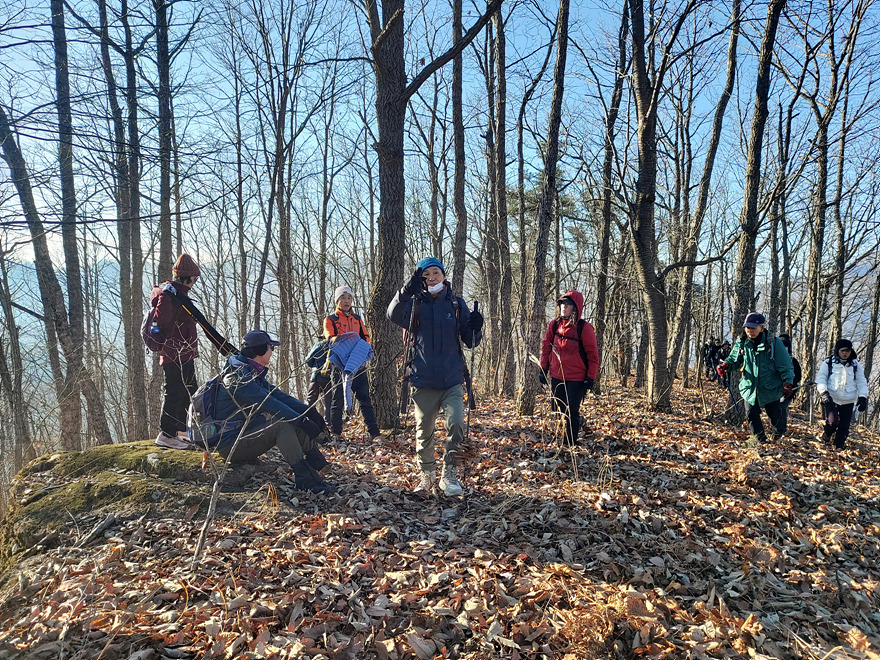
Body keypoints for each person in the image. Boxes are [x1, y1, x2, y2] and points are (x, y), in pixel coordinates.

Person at [387, 257, 482, 496]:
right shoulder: (414, 304)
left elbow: (470, 341)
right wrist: (406, 291)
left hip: (452, 379)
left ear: (443, 275)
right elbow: (392, 314)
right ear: (420, 279)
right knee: (424, 432)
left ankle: (449, 474)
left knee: (456, 424)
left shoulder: (456, 304)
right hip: (423, 379)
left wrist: (476, 327)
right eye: (426, 275)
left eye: (435, 273)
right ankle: (427, 475)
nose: (431, 278)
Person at [213, 330, 336, 494]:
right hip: (230, 445)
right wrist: (302, 421)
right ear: (260, 350)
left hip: (243, 435)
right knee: (283, 425)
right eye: (271, 347)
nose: (272, 352)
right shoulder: (238, 378)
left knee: (293, 417)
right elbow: (270, 403)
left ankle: (318, 465)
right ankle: (306, 479)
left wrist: (308, 411)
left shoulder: (249, 371)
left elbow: (277, 395)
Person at [717, 313, 794, 442]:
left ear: (761, 328)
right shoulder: (742, 342)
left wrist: (788, 383)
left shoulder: (774, 343)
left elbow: (786, 365)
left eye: (753, 328)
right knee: (751, 414)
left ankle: (778, 438)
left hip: (770, 387)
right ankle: (760, 441)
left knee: (776, 416)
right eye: (748, 327)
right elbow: (734, 360)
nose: (750, 331)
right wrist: (725, 366)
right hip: (750, 387)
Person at [152, 254, 202, 449]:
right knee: (174, 392)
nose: (194, 282)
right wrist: (169, 297)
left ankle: (180, 431)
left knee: (190, 391)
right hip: (174, 354)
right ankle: (166, 434)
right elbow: (162, 320)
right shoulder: (169, 295)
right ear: (186, 277)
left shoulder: (179, 294)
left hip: (185, 353)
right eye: (194, 278)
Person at [538, 291, 600, 446]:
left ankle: (569, 443)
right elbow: (546, 347)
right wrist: (543, 369)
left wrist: (590, 378)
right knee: (558, 408)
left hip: (577, 379)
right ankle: (576, 423)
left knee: (571, 411)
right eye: (562, 304)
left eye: (568, 304)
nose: (564, 307)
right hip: (557, 376)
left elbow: (593, 356)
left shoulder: (584, 328)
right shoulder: (554, 325)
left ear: (576, 308)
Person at [321, 286, 380, 440]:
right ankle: (336, 433)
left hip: (357, 364)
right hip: (339, 365)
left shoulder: (358, 319)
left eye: (349, 298)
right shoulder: (330, 319)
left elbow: (365, 337)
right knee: (338, 399)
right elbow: (330, 338)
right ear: (337, 300)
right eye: (343, 297)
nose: (346, 301)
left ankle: (374, 433)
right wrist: (343, 342)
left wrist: (360, 349)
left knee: (365, 399)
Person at [815, 339, 869, 450]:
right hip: (831, 397)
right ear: (837, 351)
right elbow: (821, 378)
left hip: (848, 399)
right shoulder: (828, 363)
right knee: (832, 422)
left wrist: (863, 397)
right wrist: (823, 392)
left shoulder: (855, 365)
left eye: (847, 351)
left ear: (851, 352)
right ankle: (827, 433)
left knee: (844, 426)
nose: (845, 353)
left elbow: (861, 381)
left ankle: (838, 448)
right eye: (842, 351)